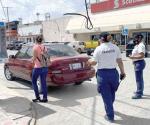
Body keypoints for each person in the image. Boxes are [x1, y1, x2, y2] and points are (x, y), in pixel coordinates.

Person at [87, 32, 126, 122]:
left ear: (101, 39)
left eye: (99, 39)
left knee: (106, 96)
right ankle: (110, 107)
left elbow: (94, 62)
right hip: (113, 73)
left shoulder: (99, 48)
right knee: (112, 92)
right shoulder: (115, 47)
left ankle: (110, 116)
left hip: (103, 74)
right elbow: (120, 61)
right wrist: (123, 72)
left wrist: (89, 61)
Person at [32, 35, 49, 103]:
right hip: (45, 67)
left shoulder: (35, 47)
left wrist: (32, 60)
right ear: (41, 40)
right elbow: (46, 56)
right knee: (43, 82)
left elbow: (33, 58)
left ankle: (37, 97)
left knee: (34, 81)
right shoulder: (44, 47)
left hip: (38, 68)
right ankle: (45, 98)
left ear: (36, 40)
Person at [129, 34, 146, 99]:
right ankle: (140, 91)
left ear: (139, 38)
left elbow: (142, 55)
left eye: (136, 38)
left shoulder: (141, 45)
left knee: (139, 79)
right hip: (137, 62)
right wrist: (133, 59)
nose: (134, 39)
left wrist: (132, 57)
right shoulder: (138, 45)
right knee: (140, 78)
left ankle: (139, 93)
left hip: (139, 63)